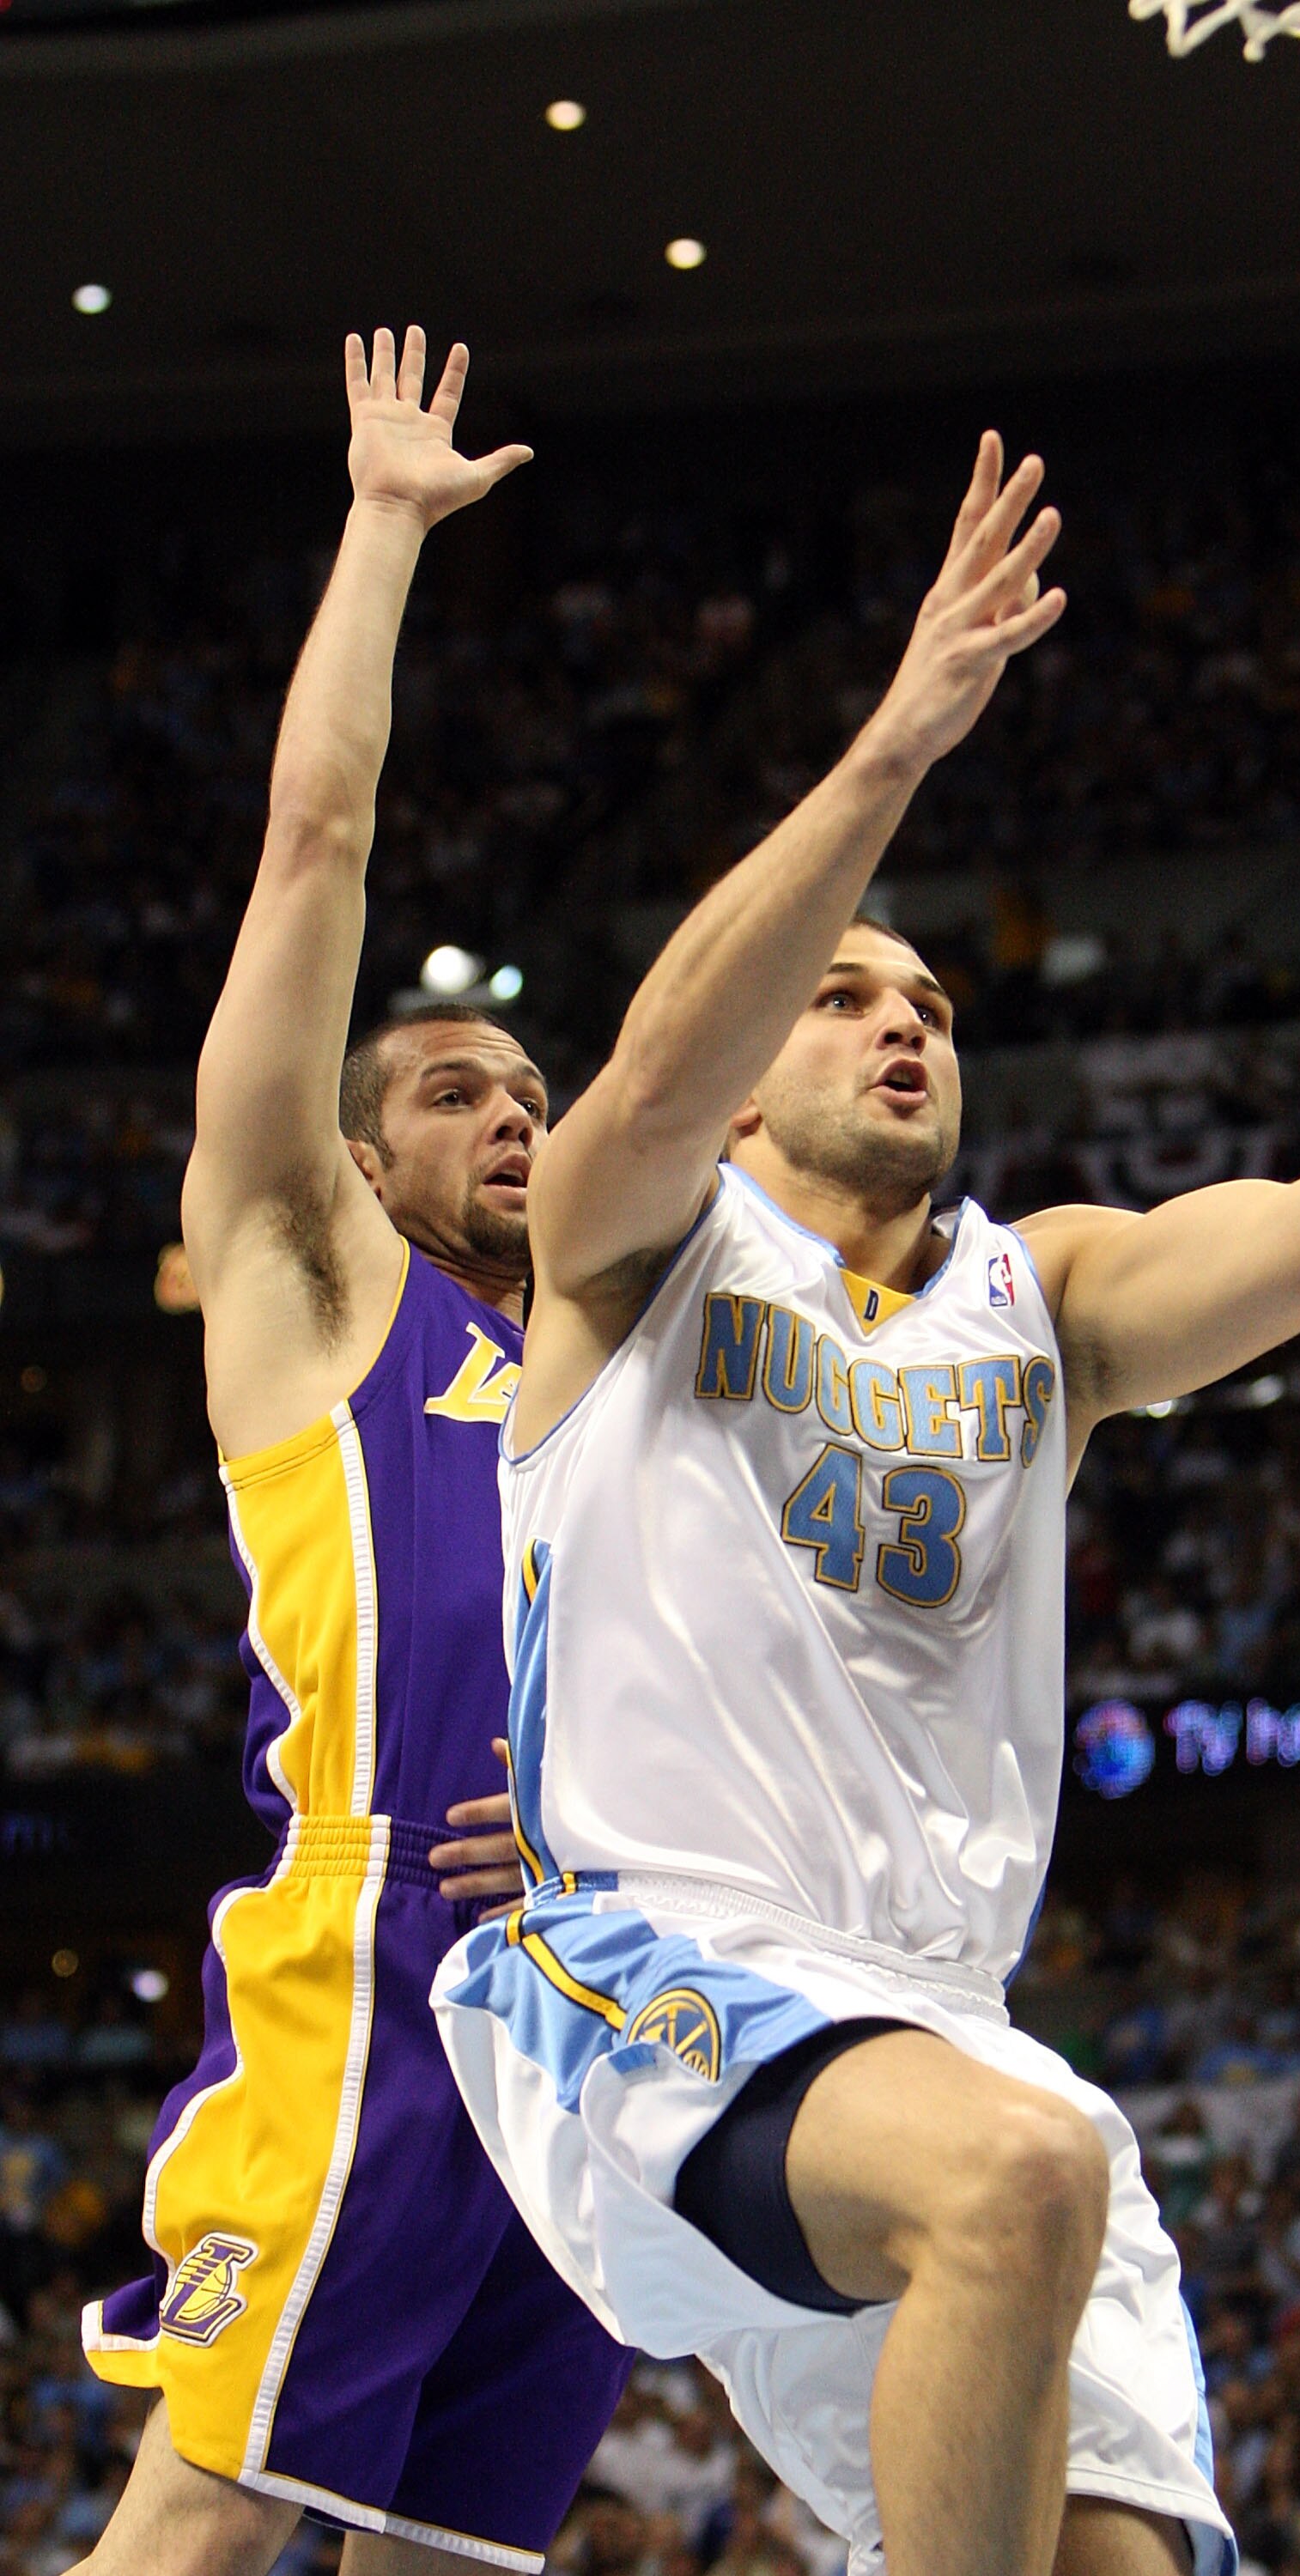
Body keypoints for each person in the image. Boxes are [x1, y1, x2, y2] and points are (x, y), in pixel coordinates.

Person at [432, 422, 1300, 2576]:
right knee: (1020, 2170)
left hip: (940, 2018)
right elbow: (660, 1066)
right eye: (853, 994)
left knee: (1114, 2517)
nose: (906, 1023)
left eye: (935, 1003)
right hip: (650, 1974)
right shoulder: (630, 1247)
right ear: (759, 1062)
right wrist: (899, 735)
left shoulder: (1037, 1301)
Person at [76, 331, 631, 2573]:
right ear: (352, 1152)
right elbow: (314, 846)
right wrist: (385, 529)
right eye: (450, 1088)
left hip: (587, 1989)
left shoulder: (605, 1345)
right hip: (370, 1949)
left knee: (449, 2560)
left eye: (530, 1086)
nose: (508, 1110)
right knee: (203, 2529)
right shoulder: (322, 1282)